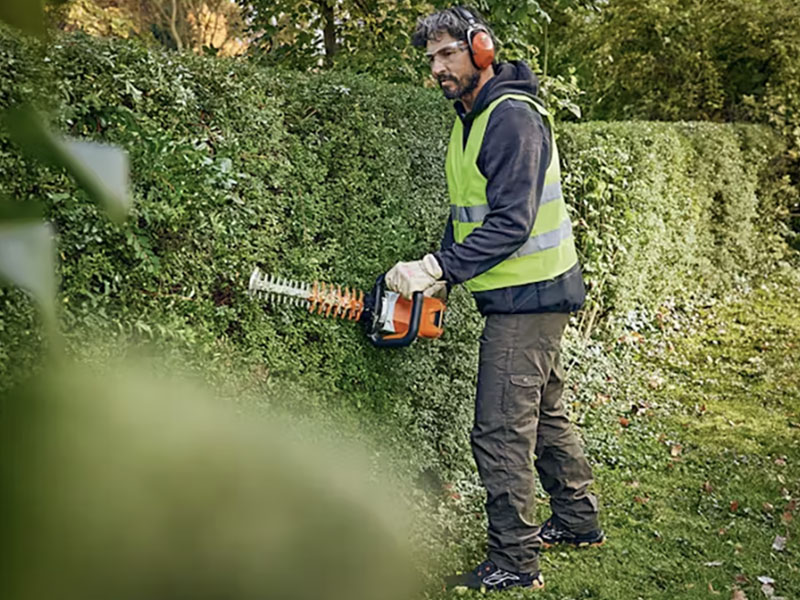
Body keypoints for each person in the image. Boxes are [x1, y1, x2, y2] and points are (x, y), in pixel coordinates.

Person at [385, 6, 604, 593]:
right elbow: (468, 217)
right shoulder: (471, 118)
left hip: (527, 300)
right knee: (545, 415)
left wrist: (438, 267)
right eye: (431, 58)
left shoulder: (510, 119)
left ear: (481, 48)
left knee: (501, 429)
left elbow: (512, 222)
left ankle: (514, 559)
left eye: (447, 53)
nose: (437, 68)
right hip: (527, 294)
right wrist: (440, 272)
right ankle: (579, 521)